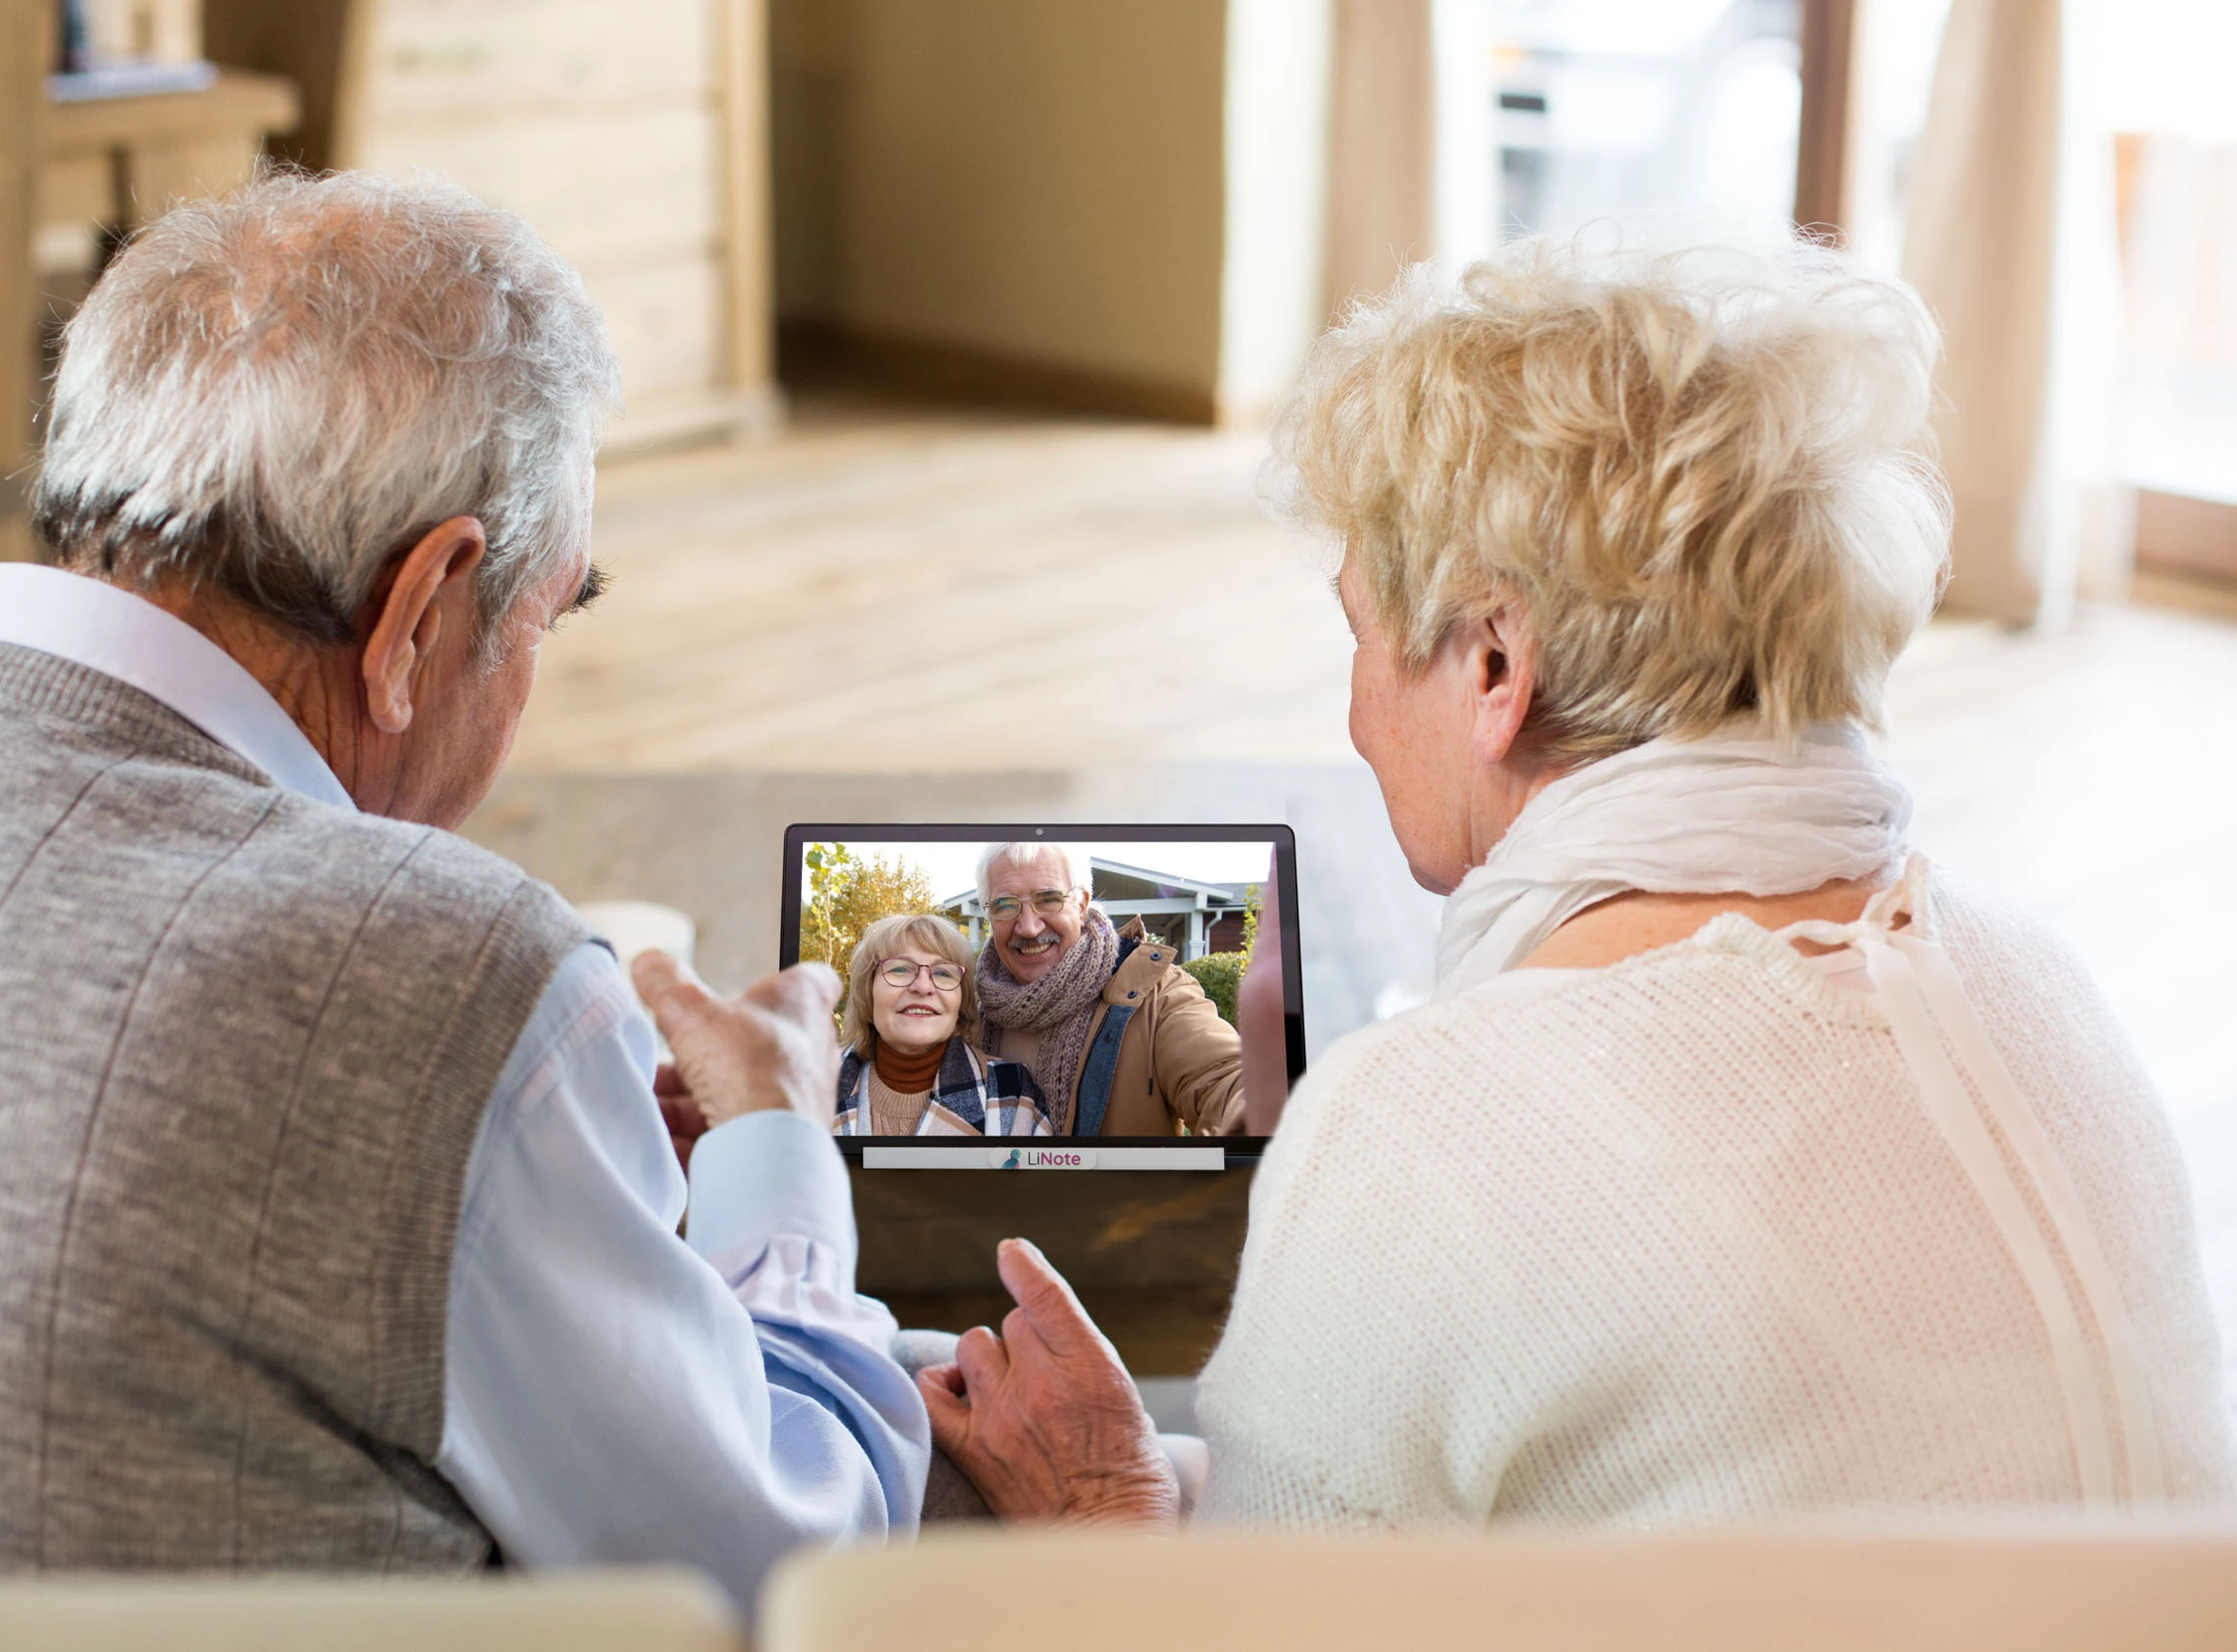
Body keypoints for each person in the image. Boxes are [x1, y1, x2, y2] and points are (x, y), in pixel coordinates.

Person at [918, 231, 2237, 1529]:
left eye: (1362, 634)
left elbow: (1273, 1624)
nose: (1360, 710)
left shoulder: (1428, 1122)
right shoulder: (2043, 978)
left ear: (1495, 667)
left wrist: (1105, 1505)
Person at [0, 171, 924, 1603]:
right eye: (545, 619)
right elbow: (784, 1575)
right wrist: (774, 1151)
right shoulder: (447, 979)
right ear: (424, 608)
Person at [972, 842, 1246, 1136]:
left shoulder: (1156, 994)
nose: (1028, 927)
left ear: (1081, 905)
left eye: (1049, 898)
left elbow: (1225, 1080)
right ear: (989, 916)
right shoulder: (966, 1012)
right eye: (1005, 905)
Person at [831, 914, 1048, 1138]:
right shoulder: (807, 1086)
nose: (923, 987)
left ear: (960, 1001)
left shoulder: (1012, 1091)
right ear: (868, 991)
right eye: (900, 969)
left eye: (943, 972)